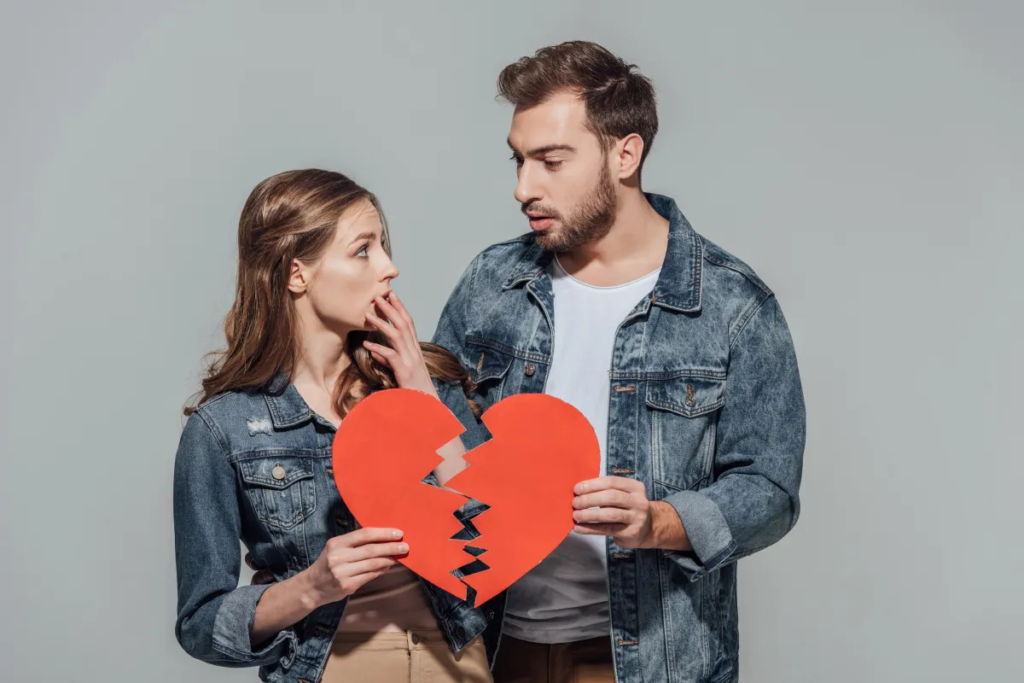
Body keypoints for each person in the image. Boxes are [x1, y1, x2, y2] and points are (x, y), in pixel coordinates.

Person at [432, 41, 806, 683]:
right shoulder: (491, 283)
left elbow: (769, 489)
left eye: (551, 161)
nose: (524, 187)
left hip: (645, 659)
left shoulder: (732, 305)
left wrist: (659, 522)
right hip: (489, 649)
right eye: (519, 161)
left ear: (624, 153)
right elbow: (440, 448)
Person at [173, 169, 493, 683]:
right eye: (363, 249)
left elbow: (493, 525)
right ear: (296, 274)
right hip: (331, 667)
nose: (389, 267)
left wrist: (418, 386)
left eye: (383, 246)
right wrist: (312, 587)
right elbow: (200, 623)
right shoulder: (223, 428)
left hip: (457, 660)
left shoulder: (421, 382)